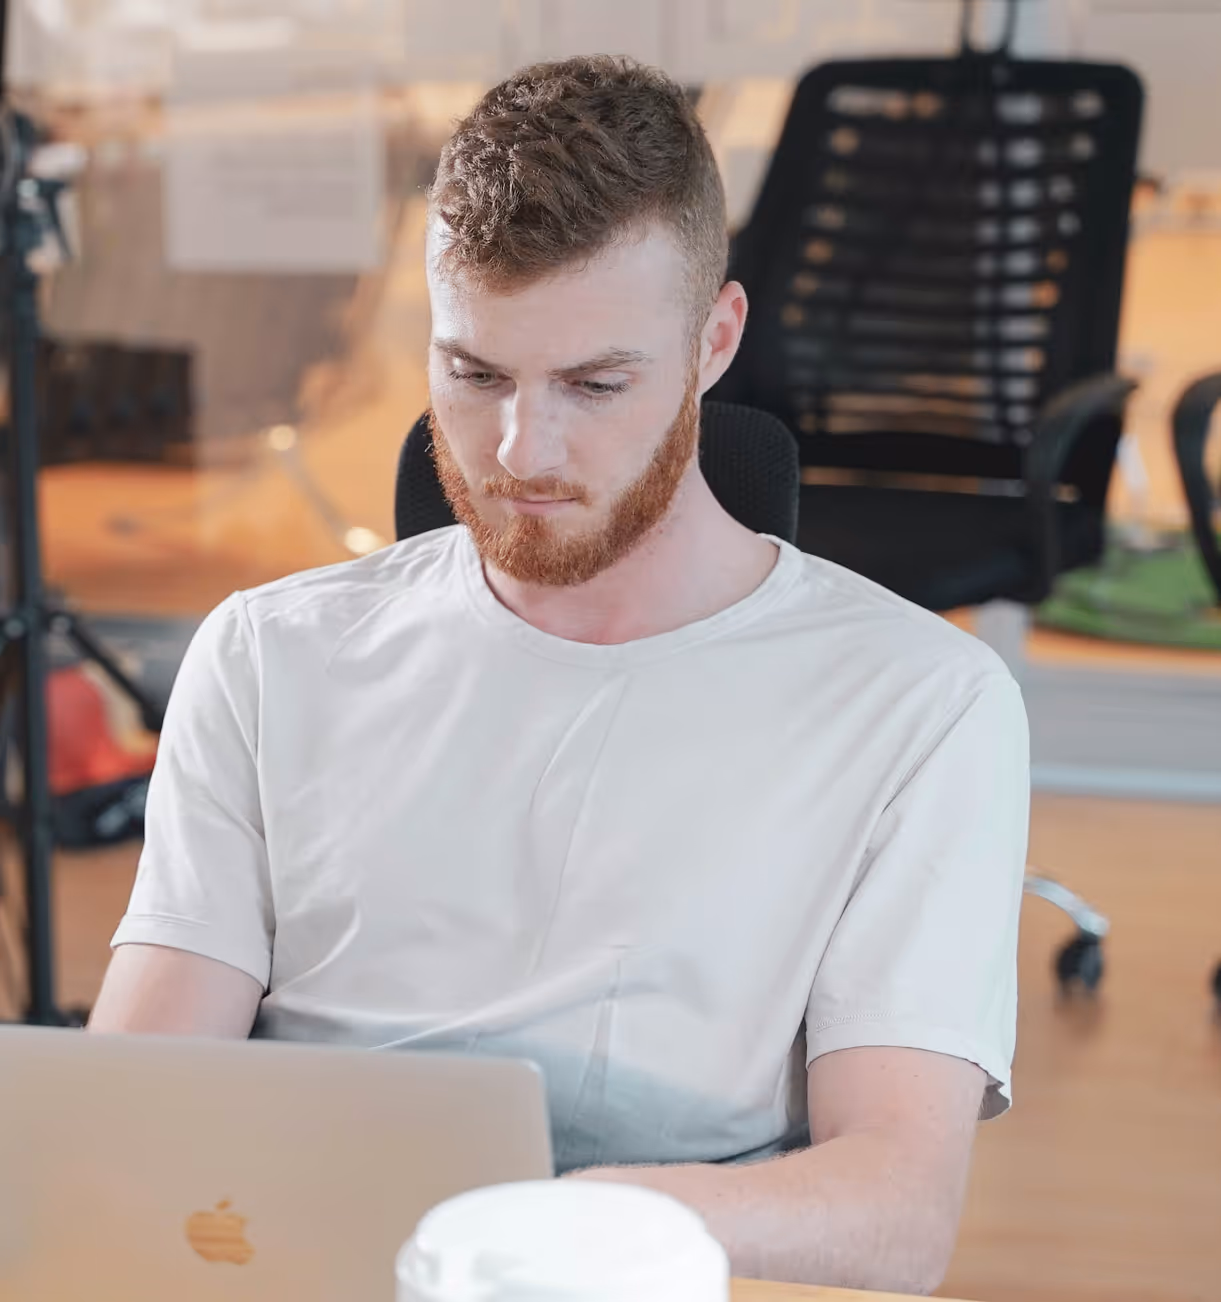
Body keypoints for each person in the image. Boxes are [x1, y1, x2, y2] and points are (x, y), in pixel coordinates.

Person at [89, 56, 1030, 1293]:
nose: (520, 453)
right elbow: (130, 1114)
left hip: (633, 1267)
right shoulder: (272, 655)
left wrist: (544, 1225)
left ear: (714, 340)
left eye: (596, 383)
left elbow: (896, 1209)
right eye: (475, 375)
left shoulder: (921, 708)